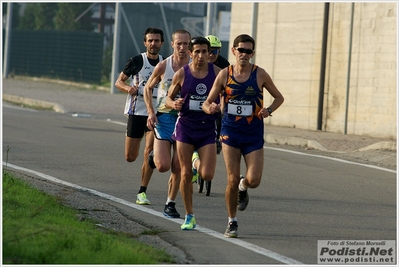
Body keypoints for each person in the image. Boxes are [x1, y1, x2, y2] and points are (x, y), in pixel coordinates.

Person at [202, 34, 284, 238]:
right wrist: (210, 107)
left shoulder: (260, 74)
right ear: (234, 51)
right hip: (230, 132)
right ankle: (232, 221)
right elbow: (206, 102)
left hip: (253, 133)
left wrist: (269, 110)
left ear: (252, 53)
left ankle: (243, 186)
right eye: (241, 50)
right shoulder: (224, 75)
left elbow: (279, 97)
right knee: (230, 178)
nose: (244, 54)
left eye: (248, 51)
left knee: (254, 179)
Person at [166, 36, 222, 230]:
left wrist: (218, 106)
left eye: (204, 52)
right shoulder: (182, 74)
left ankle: (195, 161)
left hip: (207, 128)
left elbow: (226, 98)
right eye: (196, 52)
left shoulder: (217, 74)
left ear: (209, 54)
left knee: (207, 174)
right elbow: (168, 98)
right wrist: (174, 103)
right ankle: (189, 216)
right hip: (186, 128)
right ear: (190, 53)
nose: (200, 55)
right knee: (185, 174)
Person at [144, 29, 192, 218]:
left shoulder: (194, 67)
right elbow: (148, 88)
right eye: (178, 44)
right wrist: (150, 112)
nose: (182, 47)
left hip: (185, 120)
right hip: (164, 117)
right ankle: (155, 154)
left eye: (186, 44)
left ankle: (169, 204)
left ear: (190, 46)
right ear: (172, 44)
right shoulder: (164, 66)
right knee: (163, 166)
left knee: (177, 166)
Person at [114, 27, 165, 206]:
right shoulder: (136, 61)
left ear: (162, 43)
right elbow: (118, 81)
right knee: (130, 156)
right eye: (150, 40)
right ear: (145, 43)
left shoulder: (165, 64)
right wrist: (129, 88)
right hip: (136, 112)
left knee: (149, 152)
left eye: (156, 40)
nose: (153, 43)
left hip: (156, 113)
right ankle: (131, 138)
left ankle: (142, 191)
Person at [205, 35, 230, 155]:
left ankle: (217, 140)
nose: (211, 54)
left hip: (216, 100)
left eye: (215, 51)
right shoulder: (194, 61)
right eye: (209, 51)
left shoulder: (224, 64)